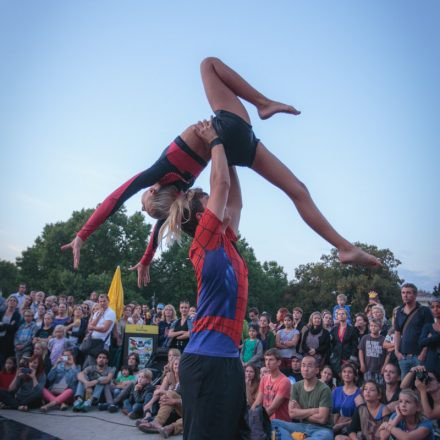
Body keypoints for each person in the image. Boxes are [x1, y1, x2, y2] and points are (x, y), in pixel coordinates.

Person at [62, 57, 381, 286]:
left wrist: (147, 260)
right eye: (145, 203)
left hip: (234, 149)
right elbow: (115, 198)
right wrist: (81, 234)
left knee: (297, 189)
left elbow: (157, 231)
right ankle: (264, 103)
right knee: (208, 65)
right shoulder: (160, 174)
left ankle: (344, 248)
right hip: (227, 129)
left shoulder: (183, 195)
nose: (142, 201)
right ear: (154, 192)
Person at [174, 126, 249, 440]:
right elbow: (221, 182)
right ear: (201, 215)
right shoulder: (204, 240)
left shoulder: (226, 242)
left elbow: (236, 202)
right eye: (211, 202)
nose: (220, 203)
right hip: (205, 361)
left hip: (229, 361)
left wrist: (229, 154)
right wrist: (215, 139)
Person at [272, 355, 333, 440]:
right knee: (274, 423)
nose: (305, 369)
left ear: (317, 370)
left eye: (309, 366)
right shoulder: (296, 386)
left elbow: (322, 419)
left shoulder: (324, 389)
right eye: (303, 365)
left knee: (326, 436)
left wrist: (300, 411)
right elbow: (292, 414)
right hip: (301, 426)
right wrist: (313, 410)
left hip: (321, 429)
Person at [394, 283, 433, 379]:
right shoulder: (399, 311)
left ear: (415, 295)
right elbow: (397, 332)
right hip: (403, 356)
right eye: (403, 293)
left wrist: (424, 352)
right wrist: (396, 351)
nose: (405, 295)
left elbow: (430, 332)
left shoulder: (424, 311)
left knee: (421, 385)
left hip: (419, 356)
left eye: (408, 293)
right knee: (405, 387)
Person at [251, 348, 291, 421]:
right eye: (266, 359)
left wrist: (255, 419)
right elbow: (257, 402)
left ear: (279, 362)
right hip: (266, 419)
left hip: (280, 423)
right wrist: (250, 415)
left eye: (271, 360)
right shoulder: (264, 378)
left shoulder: (284, 381)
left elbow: (273, 408)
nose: (267, 363)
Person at [332, 363, 361, 435]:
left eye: (350, 372)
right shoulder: (336, 391)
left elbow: (361, 416)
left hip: (352, 427)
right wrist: (335, 425)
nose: (347, 374)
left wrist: (342, 425)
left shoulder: (360, 393)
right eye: (344, 371)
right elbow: (332, 411)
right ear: (341, 374)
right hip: (335, 425)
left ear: (354, 375)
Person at [330, 308, 358, 379]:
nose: (341, 315)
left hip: (348, 358)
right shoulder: (334, 329)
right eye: (339, 314)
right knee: (338, 379)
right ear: (337, 316)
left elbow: (355, 345)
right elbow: (332, 344)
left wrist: (351, 358)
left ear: (346, 315)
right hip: (337, 359)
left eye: (343, 314)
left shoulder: (352, 329)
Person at [358, 318, 387, 385]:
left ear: (380, 328)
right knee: (368, 386)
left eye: (375, 326)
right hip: (368, 368)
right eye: (371, 326)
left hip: (379, 370)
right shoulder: (365, 338)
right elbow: (361, 351)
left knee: (379, 388)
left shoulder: (383, 339)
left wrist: (385, 366)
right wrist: (362, 364)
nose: (373, 328)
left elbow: (388, 354)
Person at [419, 297, 440, 378]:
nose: (435, 309)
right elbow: (421, 342)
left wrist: (430, 338)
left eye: (438, 306)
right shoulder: (428, 327)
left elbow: (425, 341)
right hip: (431, 363)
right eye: (433, 307)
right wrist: (436, 337)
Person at [0, 296, 21, 367]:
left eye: (14, 301)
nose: (12, 302)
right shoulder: (1, 312)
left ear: (16, 304)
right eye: (10, 300)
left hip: (9, 340)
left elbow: (13, 328)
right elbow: (10, 326)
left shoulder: (17, 315)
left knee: (4, 359)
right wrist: (8, 325)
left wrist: (2, 324)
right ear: (7, 302)